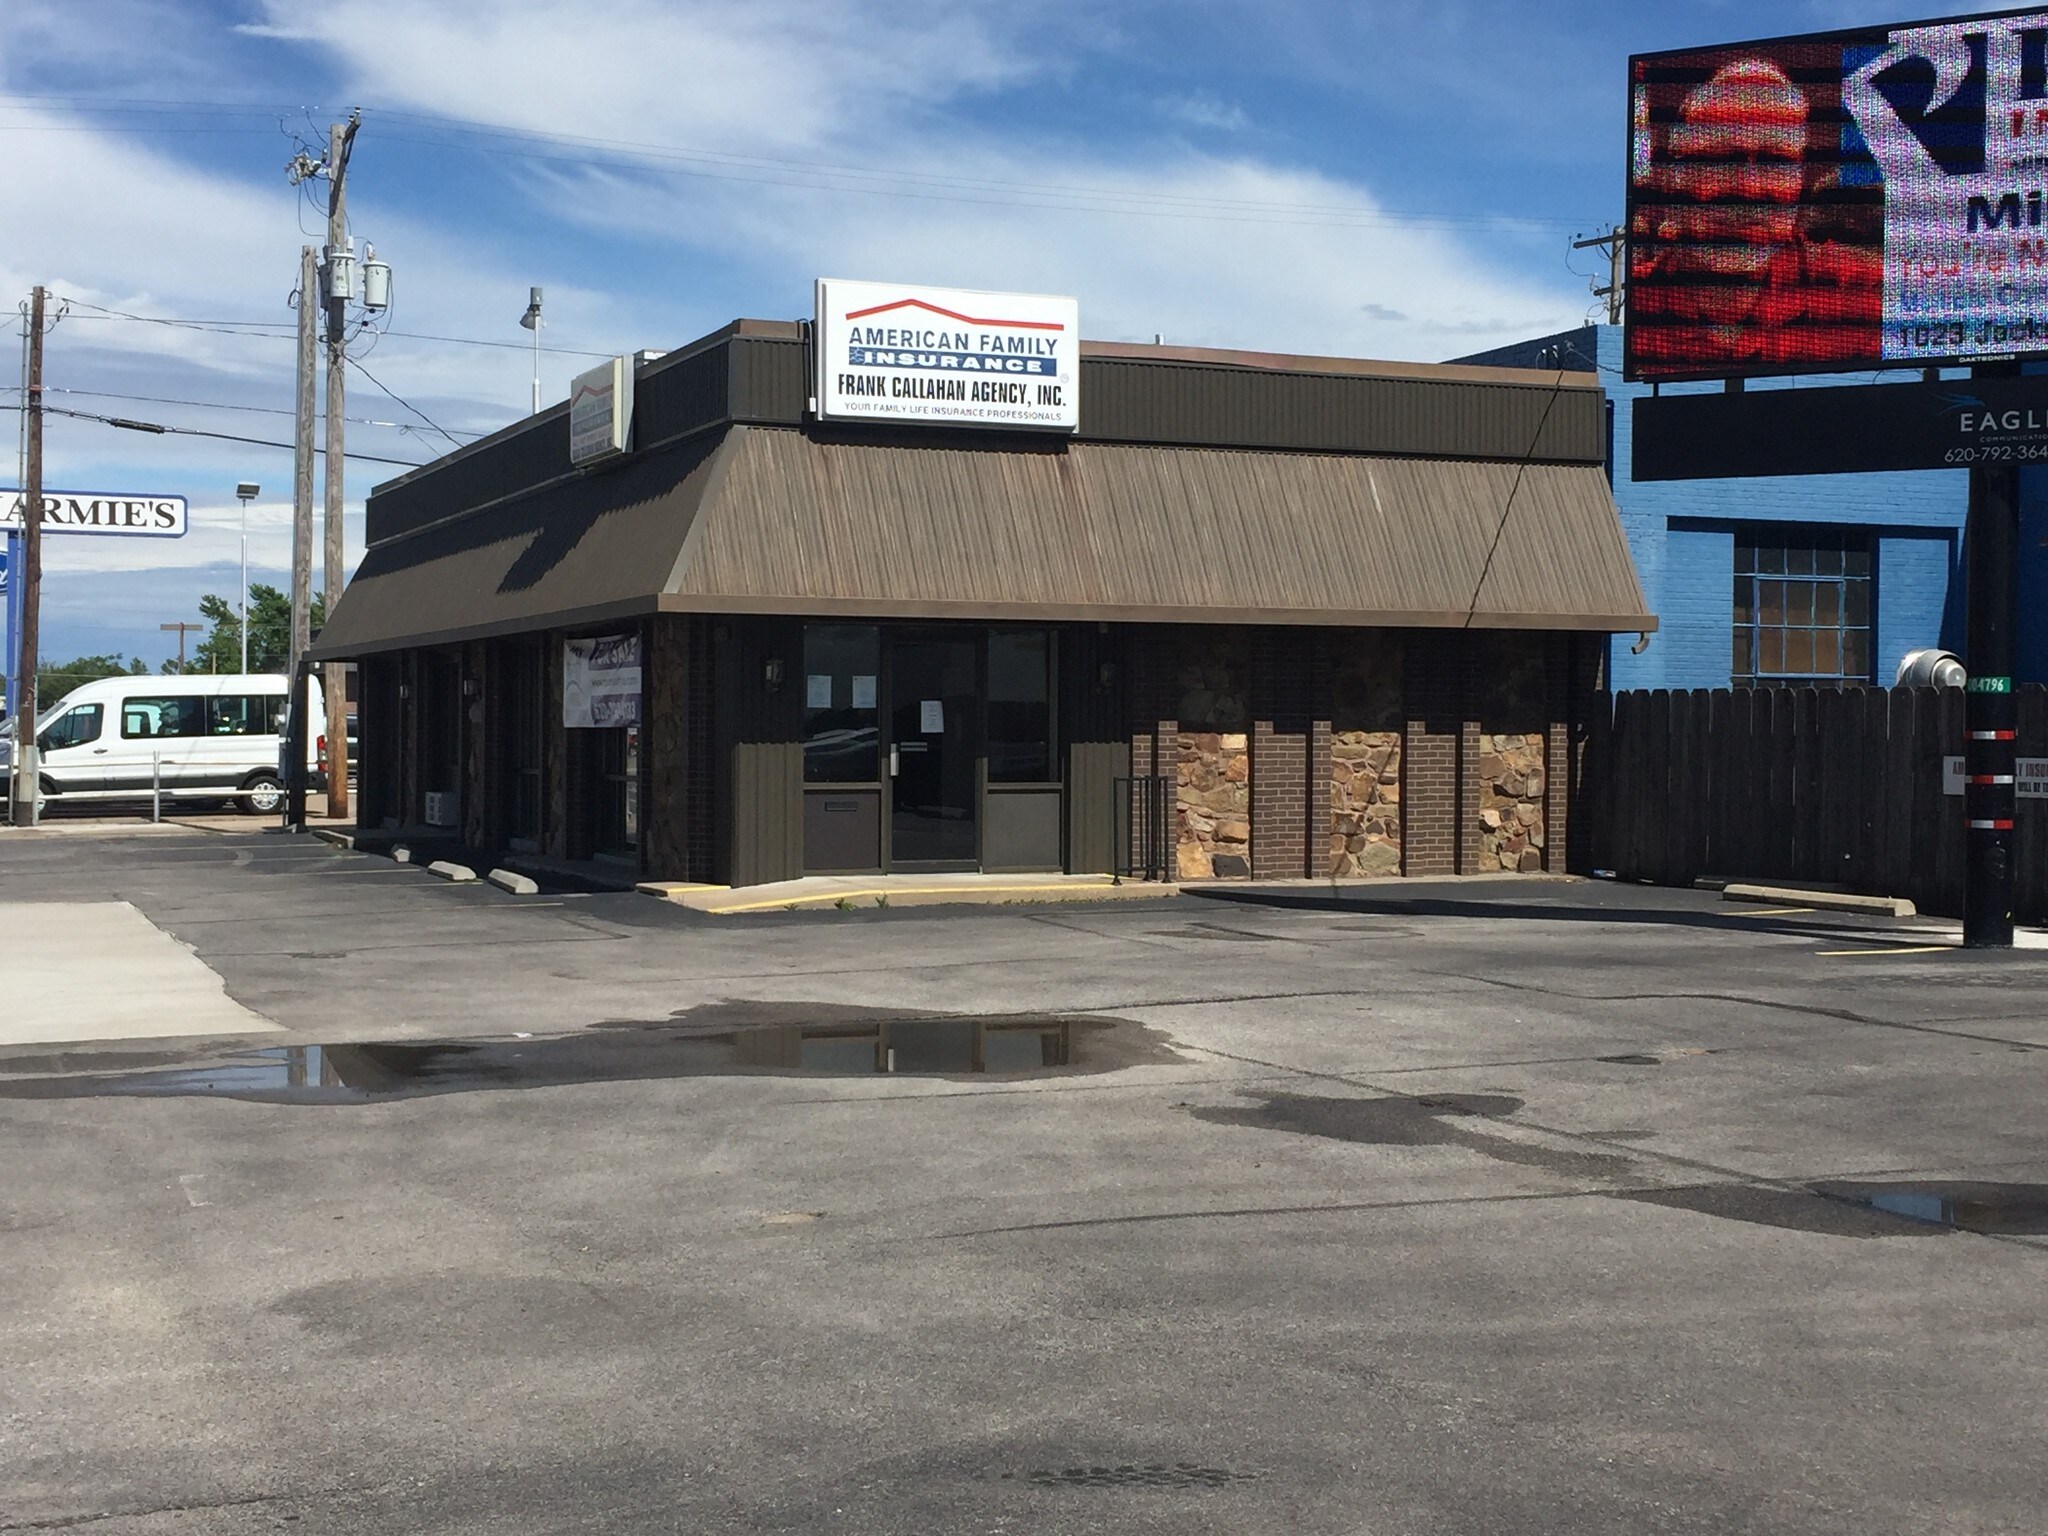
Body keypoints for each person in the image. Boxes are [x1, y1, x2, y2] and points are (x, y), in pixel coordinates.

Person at [1632, 57, 1882, 372]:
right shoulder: (1642, 307)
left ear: (1800, 180)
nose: (1749, 188)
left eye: (1774, 161)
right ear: (1673, 178)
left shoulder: (1861, 294)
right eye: (1721, 159)